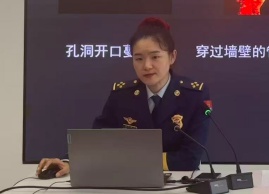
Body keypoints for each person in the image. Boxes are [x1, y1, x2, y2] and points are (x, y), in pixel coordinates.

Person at [37, 18, 212, 177]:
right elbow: (98, 140)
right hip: (130, 182)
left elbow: (190, 158)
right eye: (139, 58)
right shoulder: (122, 95)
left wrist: (128, 160)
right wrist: (69, 161)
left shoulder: (194, 96)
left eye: (155, 57)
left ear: (172, 57)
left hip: (180, 183)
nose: (147, 66)